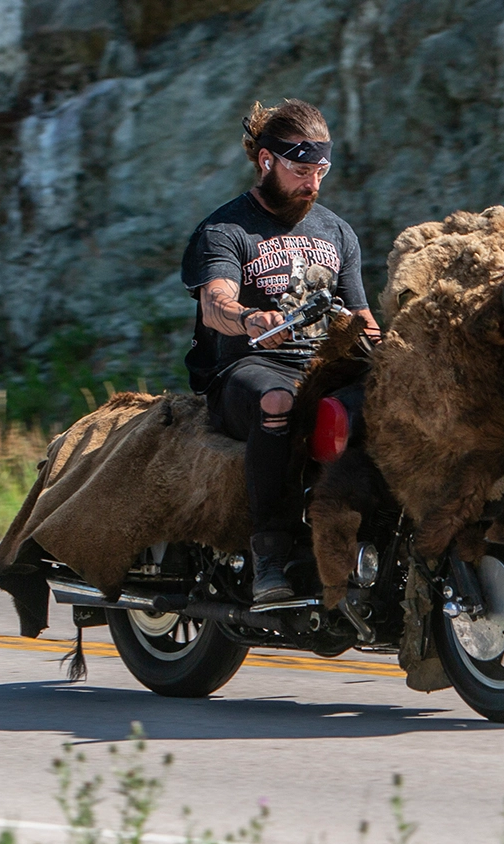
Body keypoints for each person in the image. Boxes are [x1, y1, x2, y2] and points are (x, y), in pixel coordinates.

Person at [181, 99, 380, 603]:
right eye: (300, 170)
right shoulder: (225, 230)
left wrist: (397, 354)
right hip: (246, 370)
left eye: (320, 171)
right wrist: (251, 319)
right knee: (278, 402)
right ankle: (269, 555)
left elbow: (360, 316)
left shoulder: (337, 232)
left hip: (325, 368)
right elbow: (215, 304)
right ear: (266, 160)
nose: (312, 185)